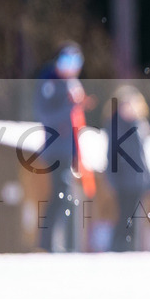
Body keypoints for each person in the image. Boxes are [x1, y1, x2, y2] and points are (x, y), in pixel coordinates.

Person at [33, 42, 93, 252]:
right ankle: (48, 244)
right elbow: (46, 116)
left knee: (65, 197)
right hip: (55, 149)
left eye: (76, 62)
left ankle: (57, 244)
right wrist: (72, 105)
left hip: (69, 149)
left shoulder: (71, 83)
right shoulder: (49, 80)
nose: (71, 67)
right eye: (67, 61)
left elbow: (74, 120)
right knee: (60, 195)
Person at [105, 86, 150, 251]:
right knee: (124, 217)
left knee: (134, 218)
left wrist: (148, 179)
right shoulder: (115, 125)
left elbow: (142, 156)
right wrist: (112, 177)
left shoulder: (139, 124)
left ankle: (129, 249)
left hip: (137, 179)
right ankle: (117, 249)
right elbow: (111, 154)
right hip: (122, 179)